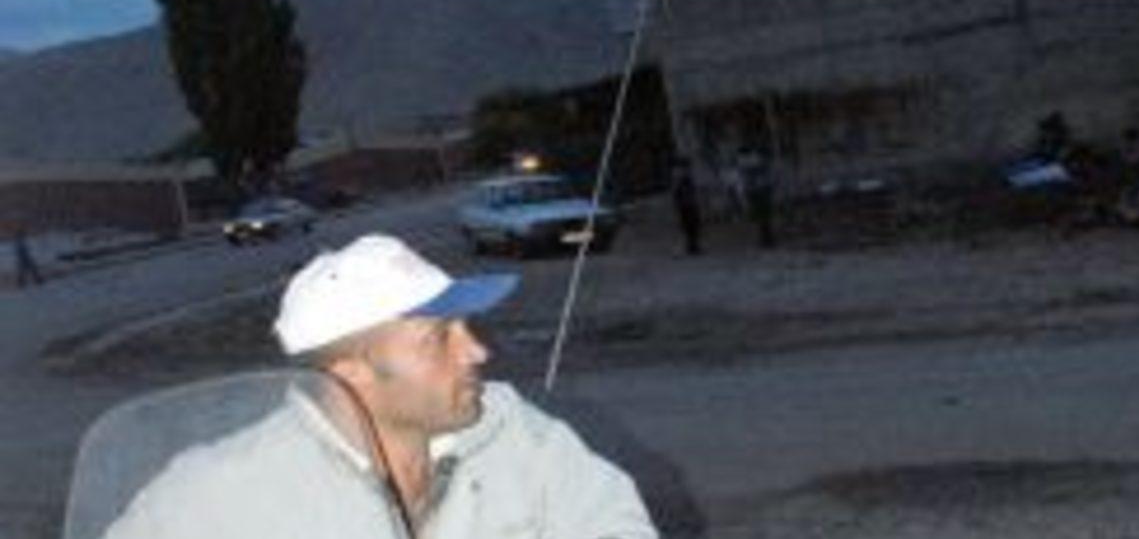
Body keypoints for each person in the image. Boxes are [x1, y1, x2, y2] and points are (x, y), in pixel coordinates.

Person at [103, 234, 658, 539]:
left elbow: (614, 525)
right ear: (352, 372)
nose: (477, 352)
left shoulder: (514, 431)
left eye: (466, 328)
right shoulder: (221, 490)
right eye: (438, 338)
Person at [737, 147, 776, 248]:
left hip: (758, 191)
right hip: (760, 191)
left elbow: (747, 179)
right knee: (763, 217)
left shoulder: (747, 163)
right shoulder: (758, 163)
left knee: (761, 217)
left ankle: (765, 238)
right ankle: (766, 238)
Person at [670, 158, 703, 255]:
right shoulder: (680, 178)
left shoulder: (685, 177)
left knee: (693, 226)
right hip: (686, 204)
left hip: (689, 203)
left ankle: (692, 246)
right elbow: (676, 193)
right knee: (689, 226)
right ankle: (690, 246)